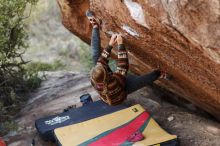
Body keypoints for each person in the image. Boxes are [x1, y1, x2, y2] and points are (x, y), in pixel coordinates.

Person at [86, 10, 171, 105]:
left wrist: (110, 45)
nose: (101, 64)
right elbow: (123, 67)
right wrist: (120, 44)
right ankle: (159, 74)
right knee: (141, 81)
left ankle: (95, 26)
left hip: (112, 83)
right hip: (121, 91)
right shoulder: (113, 83)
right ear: (107, 74)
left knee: (95, 57)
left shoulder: (94, 79)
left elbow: (101, 61)